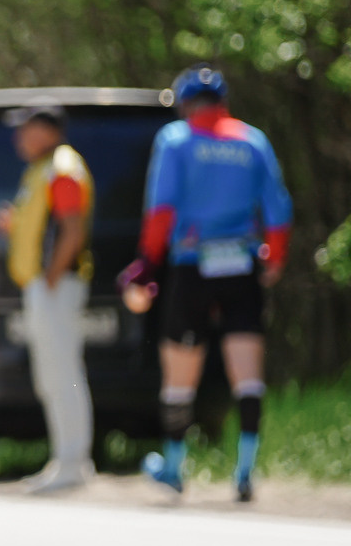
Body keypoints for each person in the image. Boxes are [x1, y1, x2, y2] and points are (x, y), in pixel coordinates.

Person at [119, 67, 293, 502]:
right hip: (242, 263)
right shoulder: (252, 141)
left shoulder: (176, 140)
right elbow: (277, 208)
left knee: (179, 370)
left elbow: (161, 209)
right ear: (224, 102)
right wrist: (274, 257)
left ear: (185, 104)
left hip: (191, 262)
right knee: (247, 372)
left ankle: (175, 467)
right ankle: (245, 471)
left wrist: (148, 263)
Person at [0, 101, 96, 494]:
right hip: (44, 285)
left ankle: (73, 462)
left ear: (48, 131)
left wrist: (51, 278)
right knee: (50, 376)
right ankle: (64, 460)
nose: (19, 137)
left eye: (27, 129)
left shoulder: (62, 169)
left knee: (63, 373)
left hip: (57, 286)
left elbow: (72, 231)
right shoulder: (41, 169)